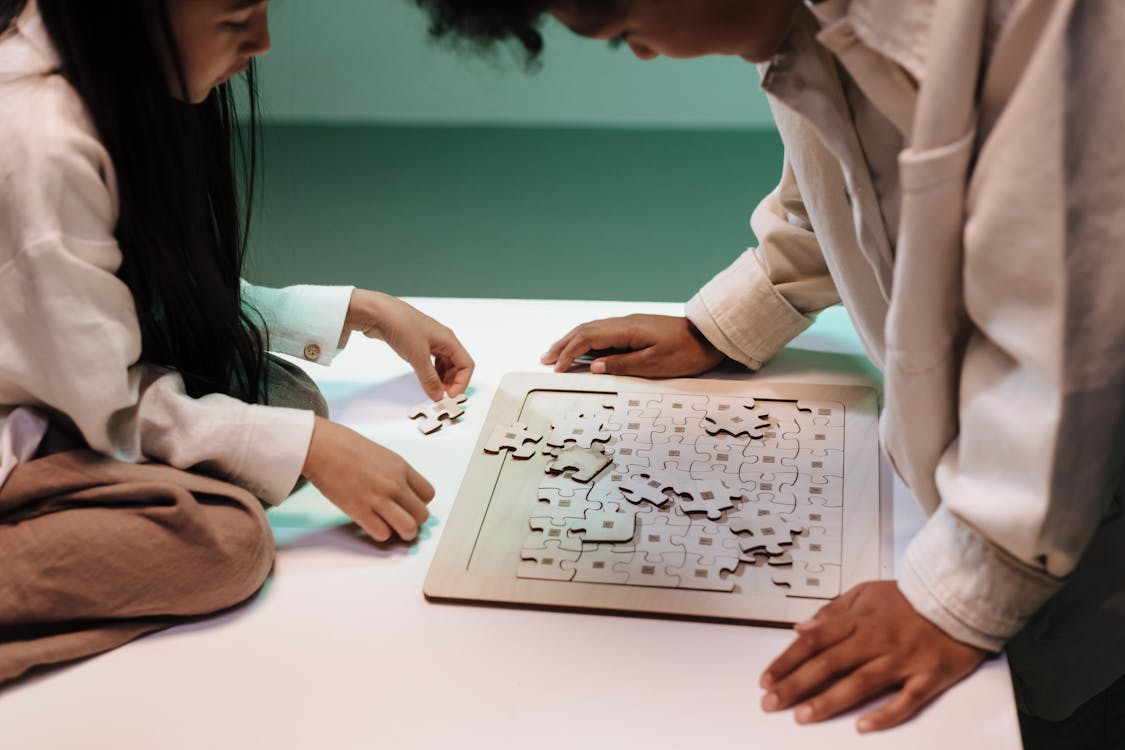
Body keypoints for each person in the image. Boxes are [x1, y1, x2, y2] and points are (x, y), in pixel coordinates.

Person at [414, 0, 1125, 744]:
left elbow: (1076, 313)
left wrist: (964, 590)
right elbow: (847, 188)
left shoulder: (1034, 20)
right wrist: (728, 320)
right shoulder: (809, 29)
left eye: (622, 31)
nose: (644, 56)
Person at [0, 0, 474, 684]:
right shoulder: (40, 140)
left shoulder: (111, 77)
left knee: (285, 398)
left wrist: (351, 310)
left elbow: (134, 296)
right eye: (234, 19)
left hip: (47, 381)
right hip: (43, 419)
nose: (264, 42)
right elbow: (113, 410)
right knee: (226, 542)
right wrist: (308, 448)